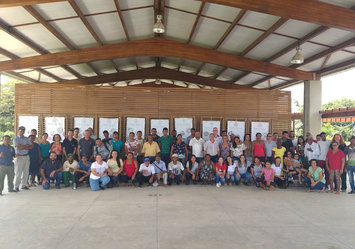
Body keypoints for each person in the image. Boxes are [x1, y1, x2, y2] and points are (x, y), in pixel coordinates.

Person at [13, 126, 33, 191]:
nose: (22, 132)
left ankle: (24, 185)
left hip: (26, 156)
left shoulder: (26, 138)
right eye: (21, 130)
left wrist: (23, 146)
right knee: (18, 172)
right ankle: (16, 186)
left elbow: (31, 146)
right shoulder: (16, 138)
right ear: (18, 131)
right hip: (19, 157)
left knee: (26, 171)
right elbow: (18, 147)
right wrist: (26, 146)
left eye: (23, 131)